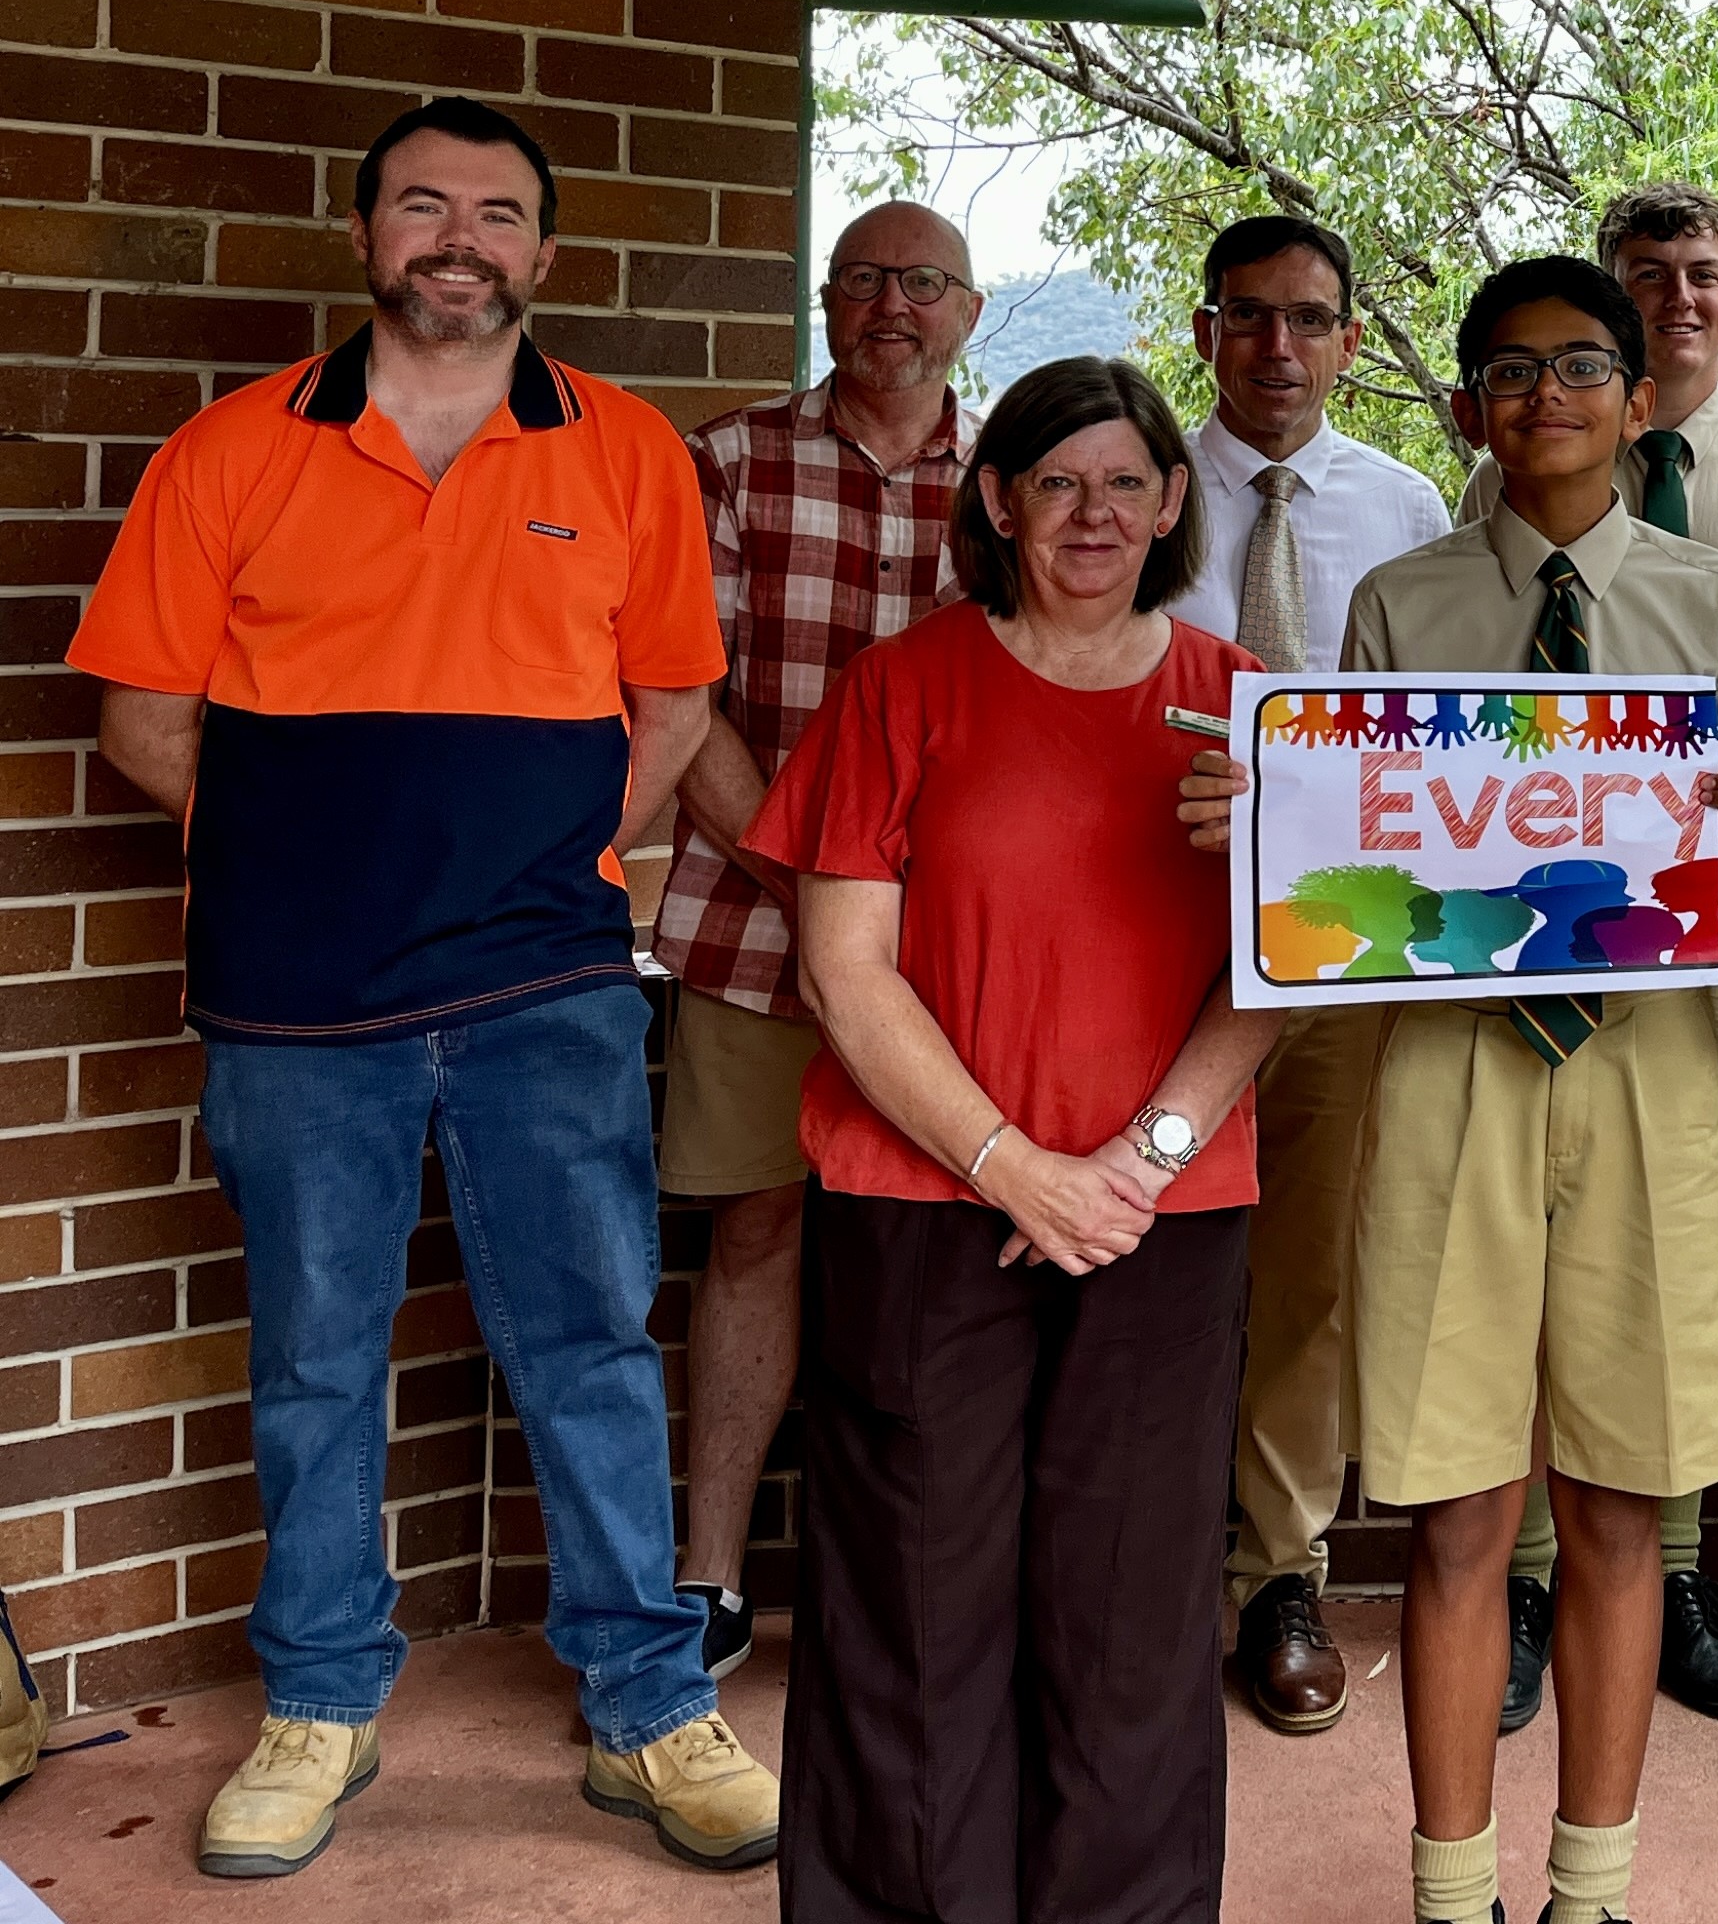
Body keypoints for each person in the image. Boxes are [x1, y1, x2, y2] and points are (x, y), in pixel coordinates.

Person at [71, 96, 781, 1880]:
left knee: (589, 1347)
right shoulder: (231, 447)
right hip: (294, 995)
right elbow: (145, 721)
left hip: (547, 981)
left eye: (495, 211)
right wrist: (338, 864)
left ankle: (647, 1707)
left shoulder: (623, 450)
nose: (456, 236)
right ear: (367, 231)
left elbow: (676, 706)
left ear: (543, 251)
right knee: (314, 1356)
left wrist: (545, 863)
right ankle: (318, 1701)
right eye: (421, 205)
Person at [1191, 256, 1718, 1924]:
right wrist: (1280, 830)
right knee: (1457, 1504)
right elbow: (1360, 877)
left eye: (1581, 364)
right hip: (1451, 1074)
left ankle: (1587, 1885)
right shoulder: (1403, 604)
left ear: (1641, 392)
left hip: (1650, 1071)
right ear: (1463, 406)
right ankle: (1452, 1886)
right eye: (1508, 371)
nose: (1546, 397)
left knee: (1613, 1500)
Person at [748, 355, 1274, 1924]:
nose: (1094, 512)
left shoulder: (1249, 710)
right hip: (924, 1199)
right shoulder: (901, 690)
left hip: (1163, 1215)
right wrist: (1016, 1167)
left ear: (1175, 501)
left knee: (1131, 1607)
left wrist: (1140, 1162)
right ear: (997, 501)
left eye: (1126, 481)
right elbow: (845, 970)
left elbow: (1287, 970)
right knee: (915, 1596)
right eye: (1058, 481)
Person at [1463, 182, 1718, 1725]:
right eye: (1653, 277)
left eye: (1706, 274)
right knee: (1536, 1262)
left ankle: (1673, 1566)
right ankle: (1529, 1579)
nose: (1682, 296)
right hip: (1526, 961)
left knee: (1695, 1254)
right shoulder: (1487, 506)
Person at [651, 199, 984, 1684]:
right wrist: (809, 889)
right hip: (749, 928)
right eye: (862, 281)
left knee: (939, 1250)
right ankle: (707, 1577)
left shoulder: (1018, 487)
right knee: (758, 1231)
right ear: (828, 303)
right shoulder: (724, 463)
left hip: (964, 957)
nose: (890, 307)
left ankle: (912, 1585)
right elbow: (675, 698)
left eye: (922, 283)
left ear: (968, 311)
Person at [1173, 212, 1456, 1742]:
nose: (1280, 348)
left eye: (1310, 320)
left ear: (1351, 341)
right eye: (1250, 318)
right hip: (1149, 930)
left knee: (1310, 1269)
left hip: (1338, 951)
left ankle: (1281, 1568)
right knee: (1143, 1252)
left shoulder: (1407, 506)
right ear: (1207, 330)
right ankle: (1144, 1569)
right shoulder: (1139, 487)